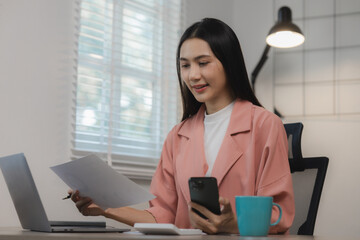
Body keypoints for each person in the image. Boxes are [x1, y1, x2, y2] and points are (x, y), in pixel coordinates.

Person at [70, 18, 295, 235]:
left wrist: (232, 225)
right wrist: (106, 209)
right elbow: (163, 215)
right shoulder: (176, 137)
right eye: (185, 65)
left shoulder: (265, 125)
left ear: (229, 62)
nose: (193, 75)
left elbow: (280, 213)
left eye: (203, 63)